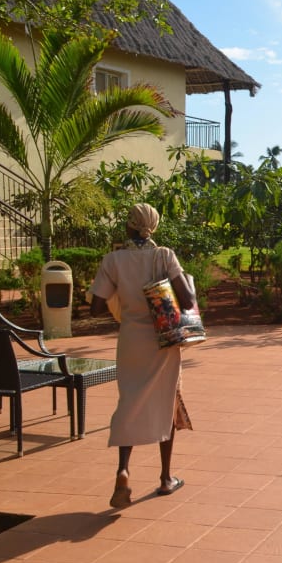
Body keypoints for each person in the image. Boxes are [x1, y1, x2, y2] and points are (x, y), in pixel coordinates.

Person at [90, 203, 195, 508]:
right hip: (162, 340)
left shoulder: (113, 260)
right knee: (167, 400)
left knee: (129, 402)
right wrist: (186, 282)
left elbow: (96, 307)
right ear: (153, 226)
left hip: (130, 340)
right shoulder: (164, 256)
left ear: (129, 226)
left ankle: (123, 470)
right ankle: (165, 478)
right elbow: (187, 302)